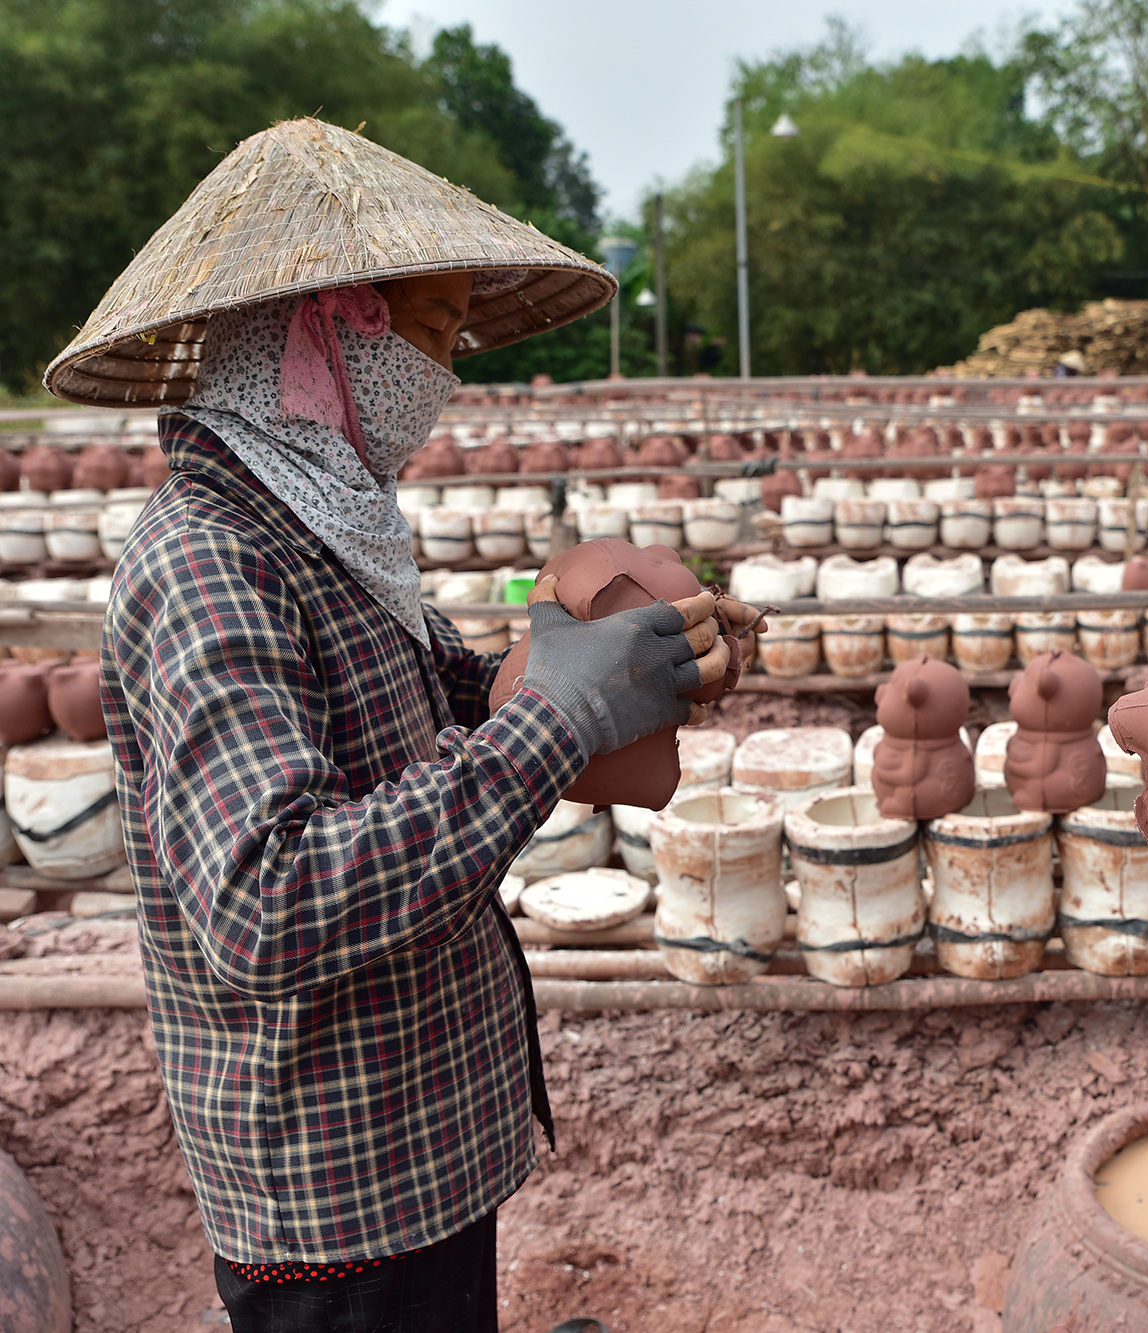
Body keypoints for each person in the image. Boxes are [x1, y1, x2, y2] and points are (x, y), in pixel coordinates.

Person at [45, 119, 753, 1332]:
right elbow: (270, 899)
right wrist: (557, 718)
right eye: (428, 328)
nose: (447, 369)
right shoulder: (216, 559)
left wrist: (625, 673)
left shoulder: (322, 520)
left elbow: (437, 693)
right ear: (326, 330)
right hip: (334, 1186)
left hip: (406, 1131)